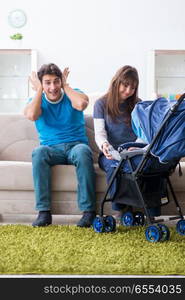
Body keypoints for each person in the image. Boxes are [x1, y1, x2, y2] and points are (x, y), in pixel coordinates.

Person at [24, 63, 96, 227]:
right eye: (47, 82)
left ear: (61, 81)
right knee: (38, 152)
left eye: (56, 81)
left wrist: (66, 85)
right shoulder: (36, 100)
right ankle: (44, 213)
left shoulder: (74, 94)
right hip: (51, 150)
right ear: (41, 85)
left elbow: (81, 105)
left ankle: (89, 212)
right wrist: (39, 91)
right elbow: (32, 115)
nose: (53, 87)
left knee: (83, 151)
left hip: (76, 147)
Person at [93, 65, 161, 219]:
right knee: (115, 167)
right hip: (110, 152)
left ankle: (152, 212)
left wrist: (135, 146)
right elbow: (100, 133)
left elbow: (144, 132)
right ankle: (121, 209)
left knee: (149, 165)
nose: (128, 91)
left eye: (132, 87)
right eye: (125, 85)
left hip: (134, 151)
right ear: (117, 82)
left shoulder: (139, 104)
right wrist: (105, 146)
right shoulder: (101, 104)